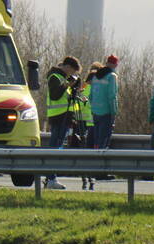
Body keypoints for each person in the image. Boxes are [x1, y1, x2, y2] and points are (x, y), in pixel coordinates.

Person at [44, 56, 82, 190]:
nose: (72, 75)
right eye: (72, 71)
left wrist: (74, 88)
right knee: (55, 147)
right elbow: (55, 95)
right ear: (67, 67)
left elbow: (66, 96)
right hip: (58, 116)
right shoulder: (55, 76)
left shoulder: (62, 78)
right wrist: (67, 85)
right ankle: (50, 178)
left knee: (57, 146)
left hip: (64, 116)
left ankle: (51, 178)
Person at [90, 54, 120, 149]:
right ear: (115, 65)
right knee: (104, 137)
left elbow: (91, 95)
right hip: (106, 111)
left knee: (97, 136)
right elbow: (112, 95)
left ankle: (95, 153)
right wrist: (114, 111)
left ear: (106, 63)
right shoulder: (112, 76)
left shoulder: (96, 76)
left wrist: (93, 108)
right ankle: (101, 158)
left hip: (95, 111)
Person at [79, 62, 101, 190]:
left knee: (85, 152)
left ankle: (86, 177)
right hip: (92, 123)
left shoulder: (83, 87)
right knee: (92, 151)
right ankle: (91, 176)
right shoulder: (94, 88)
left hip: (82, 122)